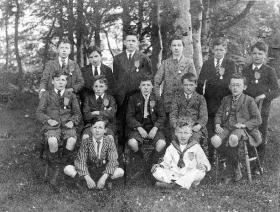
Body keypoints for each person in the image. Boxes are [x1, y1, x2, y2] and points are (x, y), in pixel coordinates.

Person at [211, 73, 262, 183]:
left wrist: (244, 124)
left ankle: (230, 169)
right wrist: (217, 124)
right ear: (229, 86)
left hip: (242, 129)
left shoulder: (249, 100)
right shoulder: (226, 99)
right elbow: (219, 114)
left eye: (238, 85)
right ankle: (235, 165)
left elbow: (257, 119)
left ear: (244, 87)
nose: (235, 88)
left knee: (233, 138)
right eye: (233, 85)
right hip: (227, 127)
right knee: (214, 140)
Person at [36, 71, 82, 187]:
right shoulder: (47, 94)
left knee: (71, 140)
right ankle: (55, 167)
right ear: (52, 81)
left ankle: (65, 165)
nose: (60, 82)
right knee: (52, 141)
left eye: (63, 80)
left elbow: (77, 113)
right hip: (52, 126)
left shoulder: (71, 95)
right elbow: (39, 112)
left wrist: (72, 121)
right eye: (57, 80)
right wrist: (48, 120)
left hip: (67, 125)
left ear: (66, 82)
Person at [197, 37, 236, 164]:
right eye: (216, 49)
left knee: (223, 128)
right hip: (210, 101)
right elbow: (201, 82)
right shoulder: (207, 63)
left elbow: (233, 83)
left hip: (225, 101)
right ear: (212, 50)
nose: (219, 52)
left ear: (225, 50)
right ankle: (211, 157)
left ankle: (222, 155)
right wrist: (199, 98)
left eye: (221, 49)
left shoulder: (230, 64)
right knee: (211, 128)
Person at [242, 41, 280, 174]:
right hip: (247, 108)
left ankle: (258, 165)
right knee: (248, 132)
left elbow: (276, 90)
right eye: (254, 53)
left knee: (261, 134)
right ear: (251, 54)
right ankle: (249, 160)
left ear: (265, 55)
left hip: (262, 108)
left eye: (260, 53)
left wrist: (264, 95)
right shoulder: (245, 70)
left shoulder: (269, 71)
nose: (257, 56)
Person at [154, 36, 196, 141]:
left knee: (181, 129)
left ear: (183, 47)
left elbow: (194, 82)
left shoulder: (189, 62)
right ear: (170, 48)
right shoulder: (165, 63)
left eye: (179, 45)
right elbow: (156, 82)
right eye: (174, 45)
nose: (176, 48)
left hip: (183, 102)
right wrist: (158, 98)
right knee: (168, 130)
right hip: (167, 101)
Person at [113, 32, 152, 145]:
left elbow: (148, 77)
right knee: (121, 121)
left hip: (136, 96)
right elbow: (115, 77)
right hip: (121, 96)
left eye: (133, 41)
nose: (130, 43)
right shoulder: (118, 59)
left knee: (135, 120)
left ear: (137, 43)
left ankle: (135, 146)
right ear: (124, 43)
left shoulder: (143, 58)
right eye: (128, 41)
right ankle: (121, 147)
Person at [63, 117, 124, 190]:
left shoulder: (109, 141)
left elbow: (113, 161)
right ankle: (85, 182)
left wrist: (103, 178)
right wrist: (87, 177)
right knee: (67, 169)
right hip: (89, 170)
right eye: (95, 127)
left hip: (103, 170)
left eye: (100, 128)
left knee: (120, 171)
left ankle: (106, 182)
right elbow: (81, 161)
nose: (97, 130)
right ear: (91, 129)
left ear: (105, 130)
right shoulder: (86, 142)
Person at [151, 118, 211, 189]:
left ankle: (173, 185)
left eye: (186, 133)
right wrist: (160, 165)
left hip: (189, 174)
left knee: (200, 171)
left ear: (191, 134)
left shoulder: (196, 147)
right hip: (174, 174)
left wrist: (204, 166)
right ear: (176, 133)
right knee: (156, 171)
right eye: (180, 132)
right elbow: (166, 163)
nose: (183, 136)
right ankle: (184, 184)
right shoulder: (171, 147)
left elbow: (206, 163)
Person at [126, 75, 166, 163]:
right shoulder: (133, 98)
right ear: (139, 86)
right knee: (132, 143)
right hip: (139, 127)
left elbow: (162, 116)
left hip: (153, 127)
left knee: (162, 143)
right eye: (143, 85)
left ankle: (152, 159)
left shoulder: (157, 98)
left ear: (152, 86)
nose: (146, 88)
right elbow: (129, 117)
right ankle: (140, 158)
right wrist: (139, 128)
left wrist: (155, 128)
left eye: (148, 85)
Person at [170, 73, 208, 146]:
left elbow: (204, 116)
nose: (188, 87)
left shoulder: (200, 98)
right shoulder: (177, 97)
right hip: (180, 127)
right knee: (176, 140)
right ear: (182, 85)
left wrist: (198, 126)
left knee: (193, 141)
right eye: (186, 85)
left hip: (194, 128)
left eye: (191, 85)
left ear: (195, 85)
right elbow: (173, 114)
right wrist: (176, 126)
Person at [82, 75, 117, 144]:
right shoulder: (88, 99)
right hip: (91, 125)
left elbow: (111, 115)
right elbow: (86, 116)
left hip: (107, 124)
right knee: (85, 137)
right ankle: (86, 154)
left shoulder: (110, 99)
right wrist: (105, 112)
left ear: (106, 87)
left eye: (101, 86)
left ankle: (109, 154)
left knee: (110, 138)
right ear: (92, 87)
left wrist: (96, 112)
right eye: (96, 86)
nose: (98, 89)